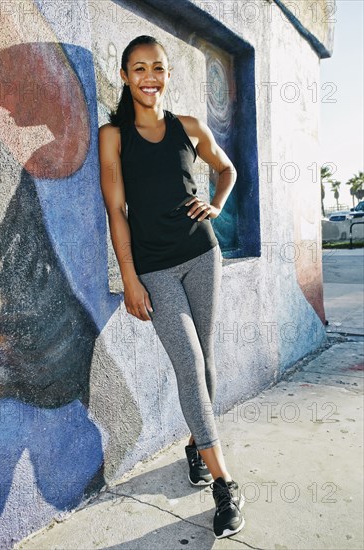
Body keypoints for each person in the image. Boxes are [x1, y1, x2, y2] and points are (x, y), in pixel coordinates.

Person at [98, 34, 245, 539]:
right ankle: (224, 482)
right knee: (188, 362)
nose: (149, 77)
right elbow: (116, 210)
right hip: (155, 268)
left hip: (203, 255)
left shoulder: (189, 127)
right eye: (138, 69)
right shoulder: (113, 136)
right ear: (124, 76)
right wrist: (129, 276)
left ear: (167, 75)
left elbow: (226, 169)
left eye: (157, 68)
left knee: (204, 358)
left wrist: (219, 205)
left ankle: (195, 446)